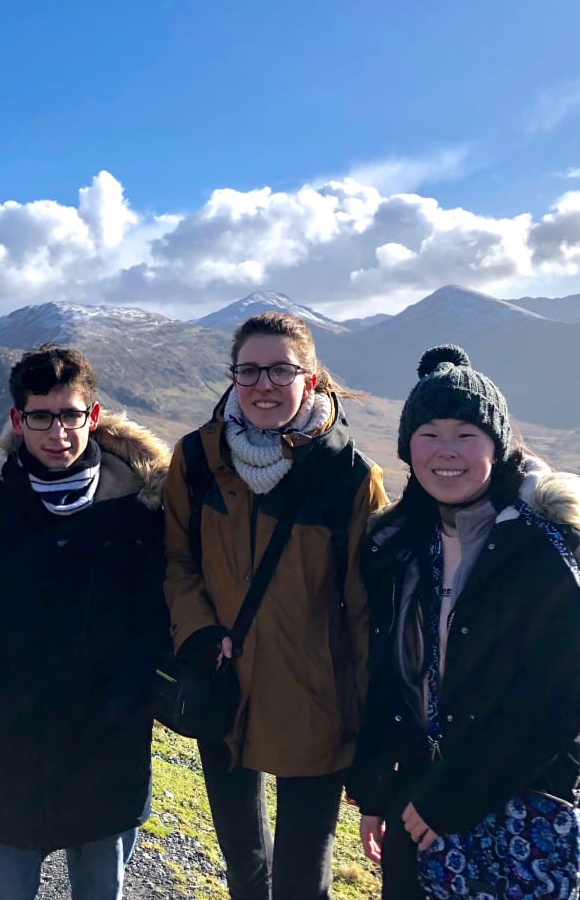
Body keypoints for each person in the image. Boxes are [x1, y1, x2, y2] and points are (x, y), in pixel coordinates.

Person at [349, 344, 580, 900]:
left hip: (523, 805)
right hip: (417, 803)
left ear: (498, 444)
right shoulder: (394, 546)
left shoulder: (549, 547)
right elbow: (388, 676)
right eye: (428, 434)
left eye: (466, 434)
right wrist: (373, 790)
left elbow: (559, 707)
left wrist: (450, 798)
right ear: (406, 447)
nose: (447, 452)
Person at [163, 311, 388, 900]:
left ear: (310, 380)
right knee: (243, 867)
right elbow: (176, 561)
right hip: (224, 686)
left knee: (300, 881)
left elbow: (366, 611)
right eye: (250, 370)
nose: (264, 384)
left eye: (281, 371)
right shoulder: (194, 462)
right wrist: (198, 631)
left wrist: (372, 725)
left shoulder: (350, 478)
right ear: (233, 377)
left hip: (316, 700)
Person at [0, 345, 170, 900]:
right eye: (41, 417)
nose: (58, 432)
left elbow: (156, 625)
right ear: (17, 421)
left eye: (71, 415)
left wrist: (127, 705)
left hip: (108, 762)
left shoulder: (142, 517)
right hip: (5, 765)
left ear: (92, 417)